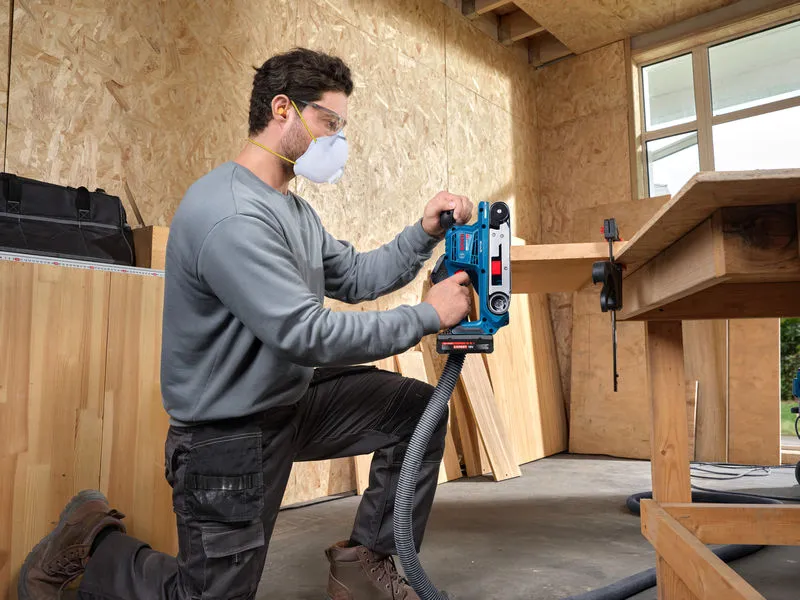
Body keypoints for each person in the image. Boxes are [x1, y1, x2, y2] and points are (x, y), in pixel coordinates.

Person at [19, 47, 473, 600]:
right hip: (228, 432)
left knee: (418, 410)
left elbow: (355, 276)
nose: (338, 142)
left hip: (288, 401)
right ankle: (91, 544)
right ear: (283, 109)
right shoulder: (230, 213)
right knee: (206, 595)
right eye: (330, 123)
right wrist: (428, 316)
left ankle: (362, 564)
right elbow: (306, 334)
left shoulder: (292, 209)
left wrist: (423, 233)